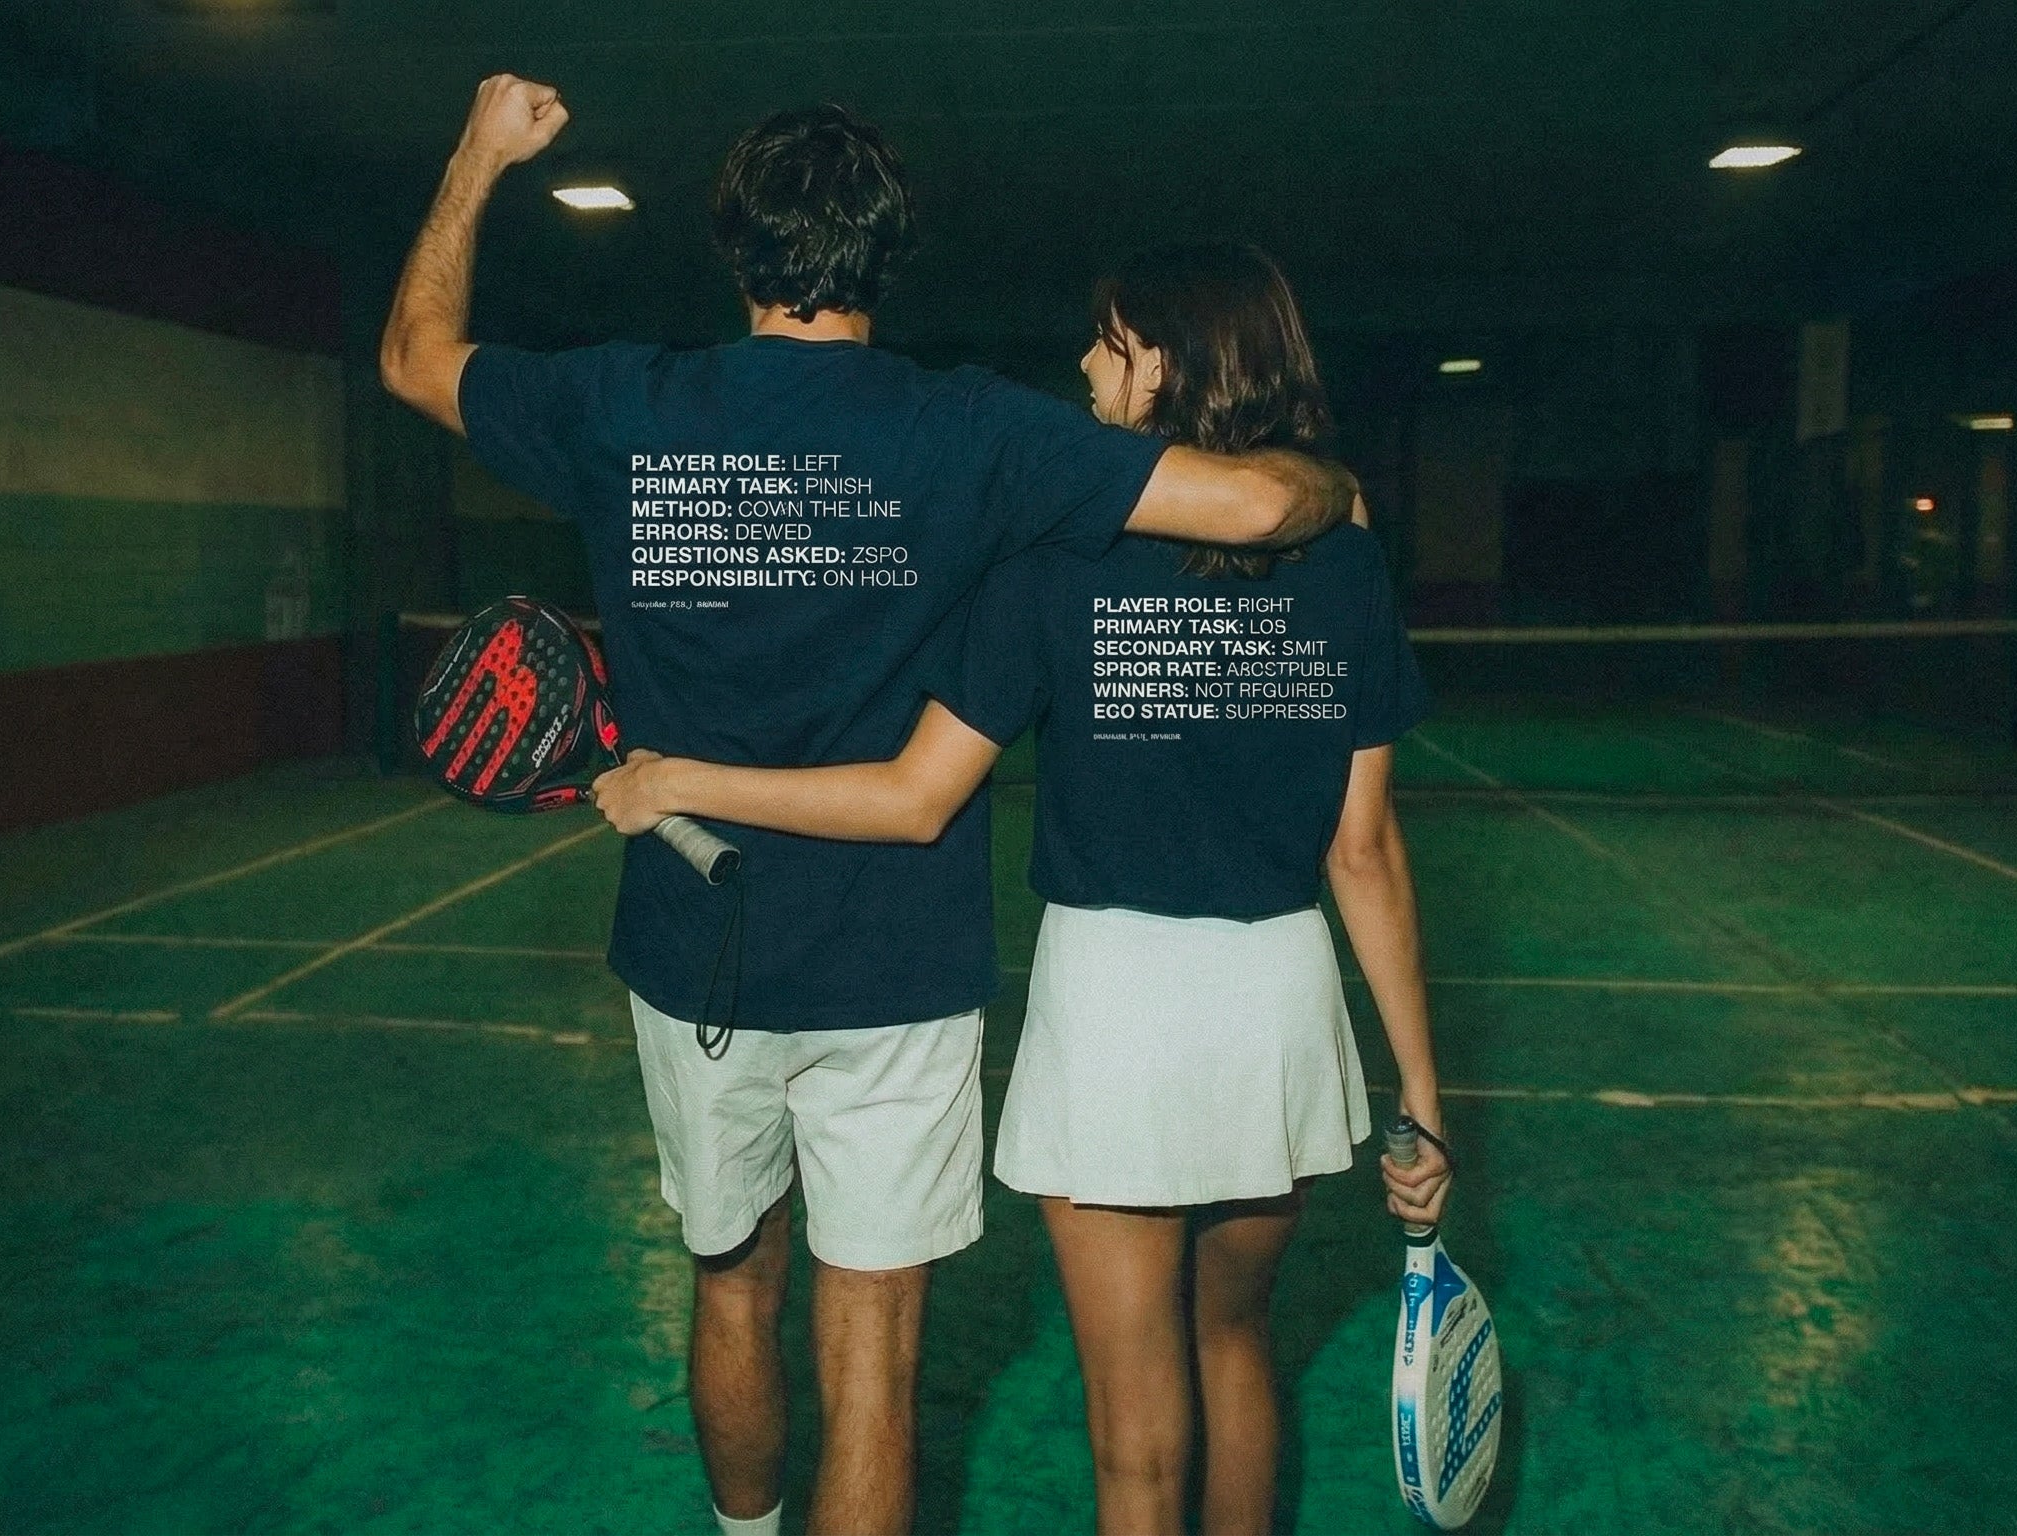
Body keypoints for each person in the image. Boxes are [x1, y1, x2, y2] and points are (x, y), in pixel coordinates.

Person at [379, 78, 1362, 1536]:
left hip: (689, 945)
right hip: (893, 965)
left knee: (731, 1279)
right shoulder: (973, 433)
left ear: (735, 251)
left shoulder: (620, 404)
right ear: (885, 258)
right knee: (875, 1348)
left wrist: (476, 156)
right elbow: (1260, 507)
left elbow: (413, 356)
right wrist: (1331, 481)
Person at [592, 243, 1454, 1536]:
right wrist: (1423, 1104)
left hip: (1115, 1003)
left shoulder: (1057, 562)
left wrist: (681, 781)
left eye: (1107, 344)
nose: (1087, 368)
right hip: (1279, 1006)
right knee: (1236, 1346)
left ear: (1161, 362)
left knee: (1131, 1436)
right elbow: (1364, 853)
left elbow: (916, 796)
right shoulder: (1346, 562)